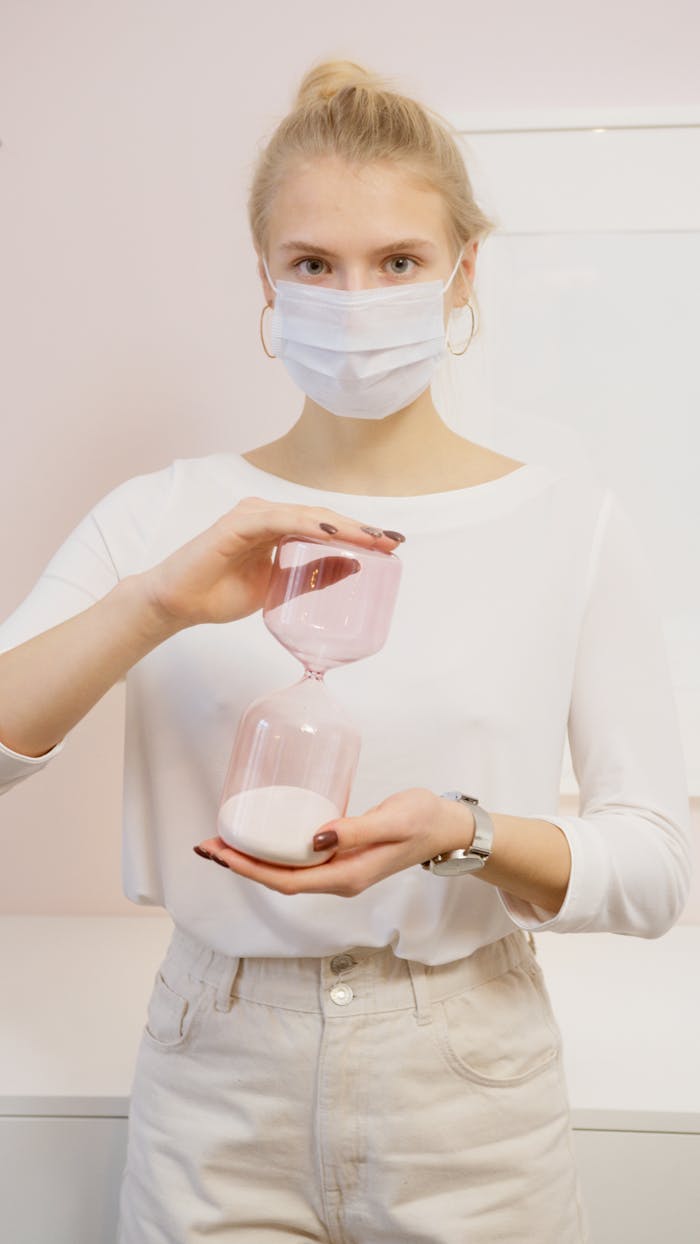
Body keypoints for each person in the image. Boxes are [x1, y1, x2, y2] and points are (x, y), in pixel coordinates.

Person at [0, 58, 692, 1244]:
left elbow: (655, 868)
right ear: (264, 276)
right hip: (214, 1068)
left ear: (464, 270)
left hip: (466, 1078)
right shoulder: (166, 514)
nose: (354, 299)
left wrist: (462, 832)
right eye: (314, 264)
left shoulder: (569, 523)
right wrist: (157, 600)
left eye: (399, 261)